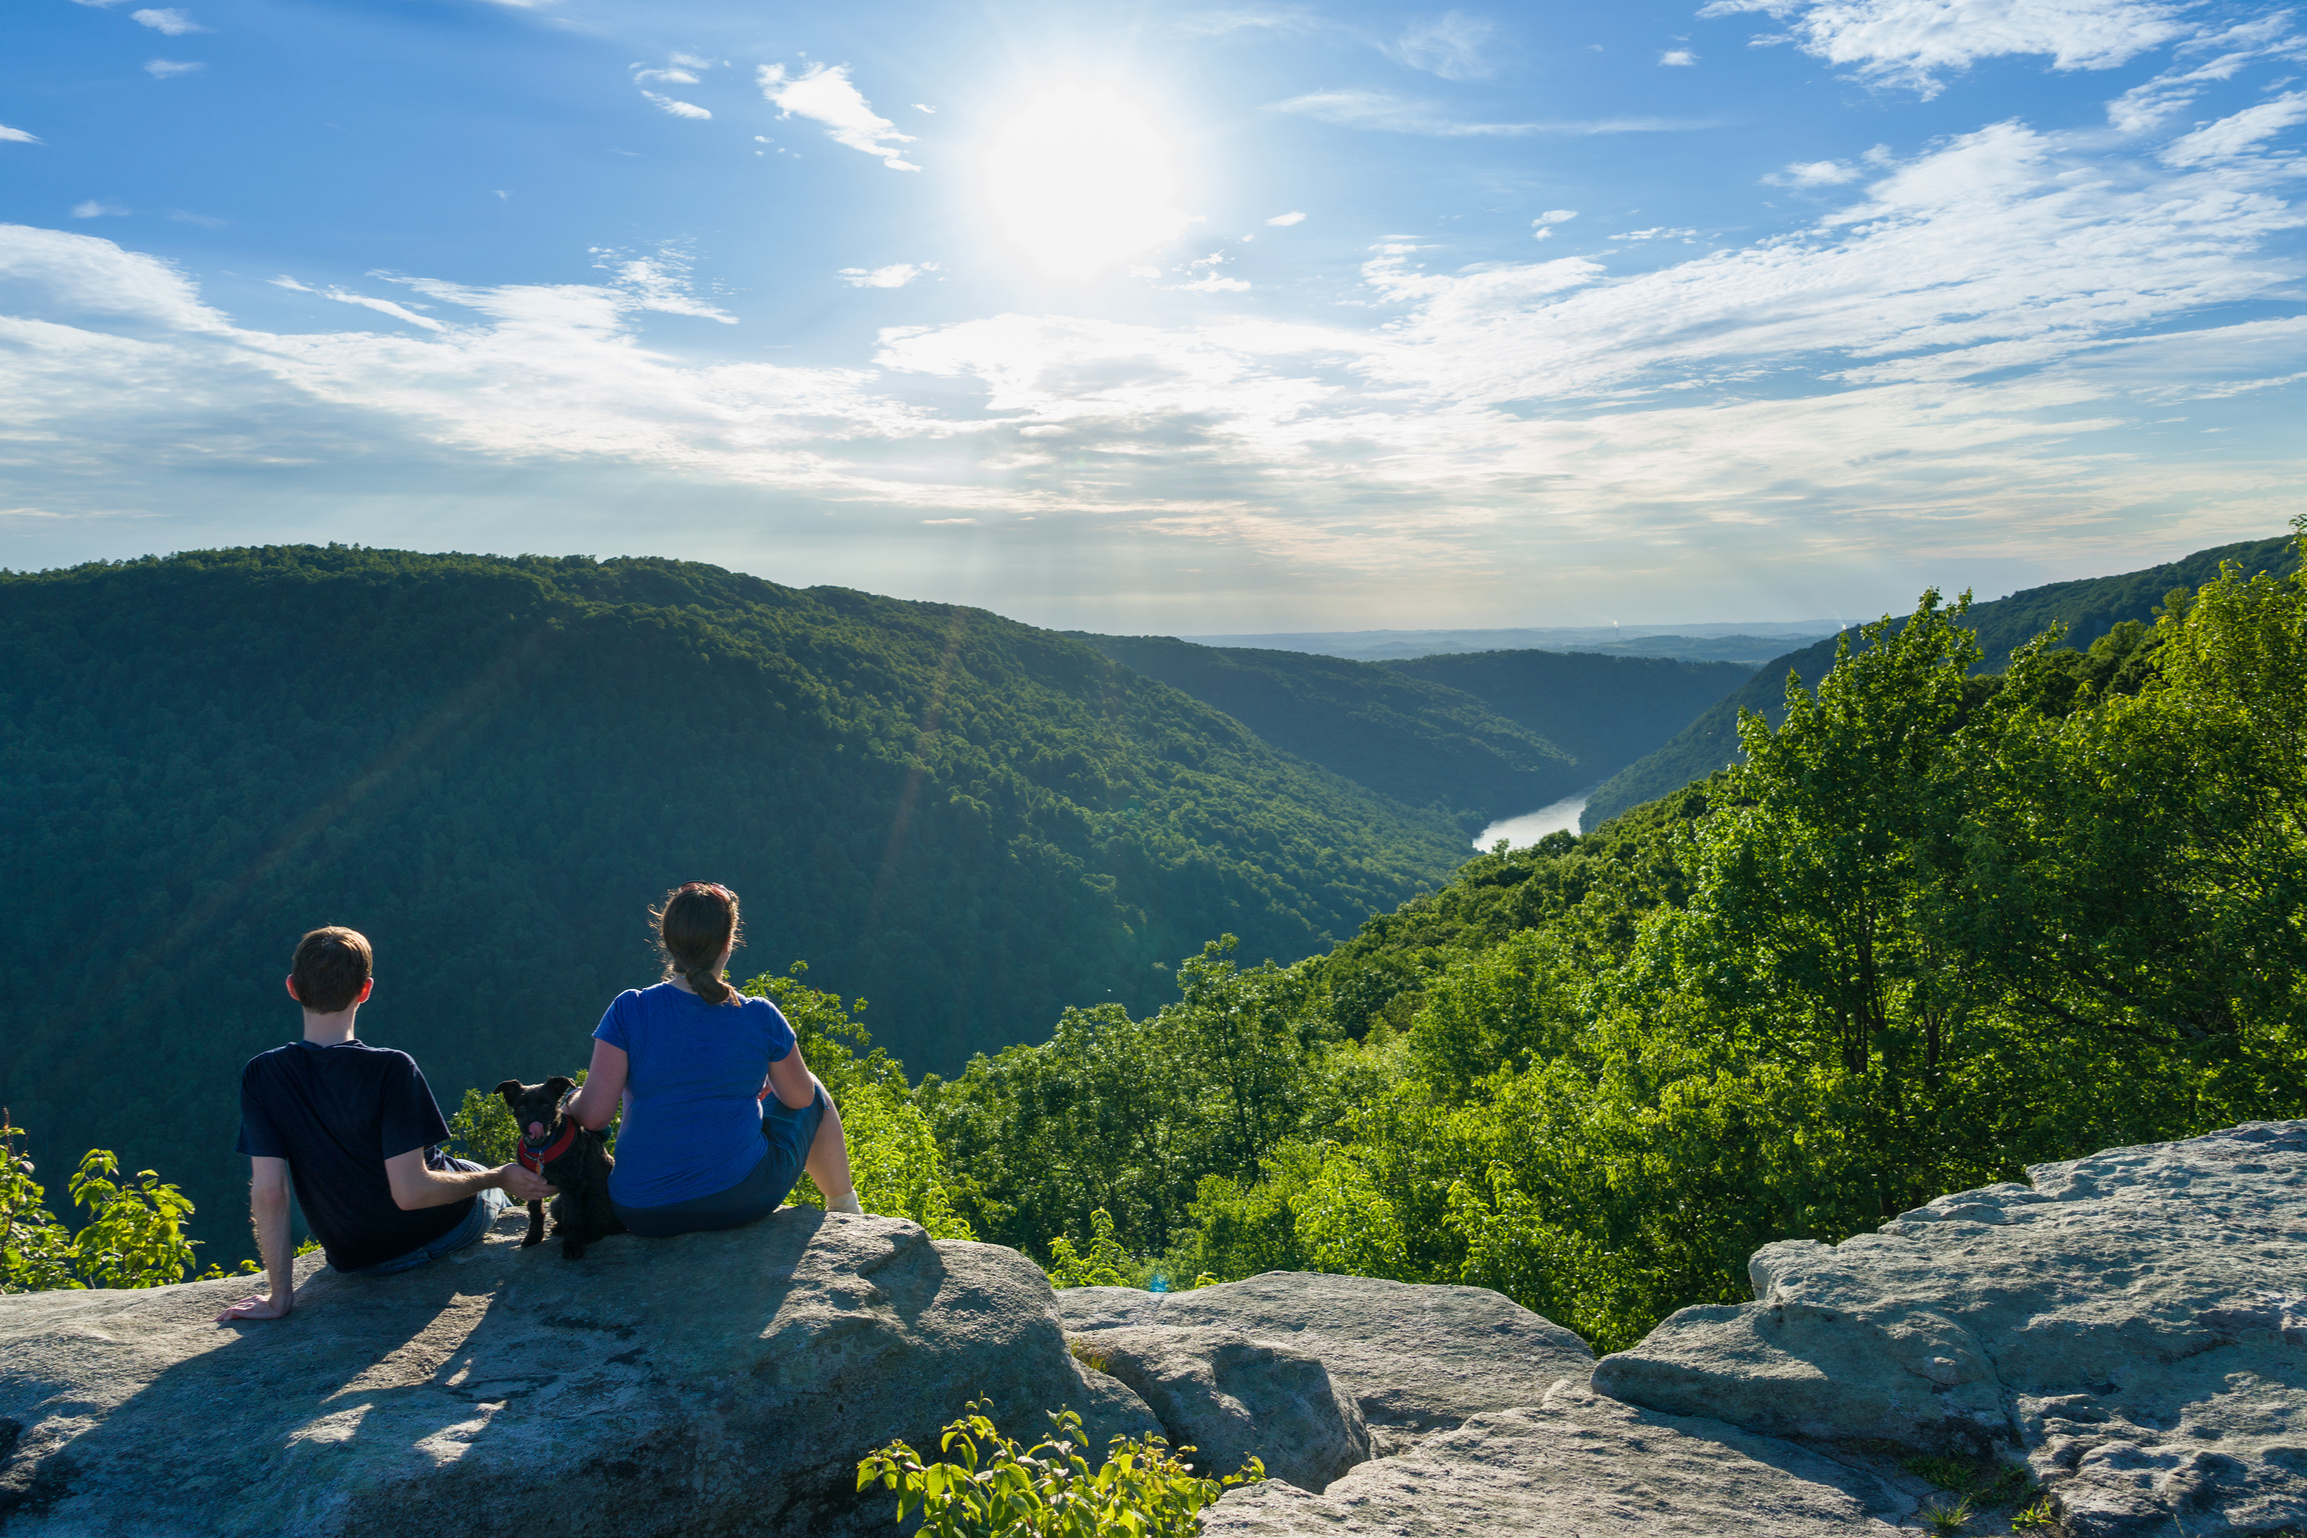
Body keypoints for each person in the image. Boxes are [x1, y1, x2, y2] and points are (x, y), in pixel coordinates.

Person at [216, 926, 554, 1322]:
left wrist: (279, 1297)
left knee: (468, 1170)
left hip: (353, 1257)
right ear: (366, 990)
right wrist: (497, 1178)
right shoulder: (391, 1068)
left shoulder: (263, 1074)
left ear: (292, 987)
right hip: (434, 1234)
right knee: (482, 1177)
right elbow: (411, 1193)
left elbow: (270, 1193)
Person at [563, 882, 861, 1236]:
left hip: (640, 1209)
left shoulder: (630, 1008)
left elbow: (595, 1115)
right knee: (812, 1085)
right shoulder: (757, 1015)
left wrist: (570, 1100)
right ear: (728, 943)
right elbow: (800, 1100)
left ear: (668, 941)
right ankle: (846, 1212)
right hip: (737, 1197)